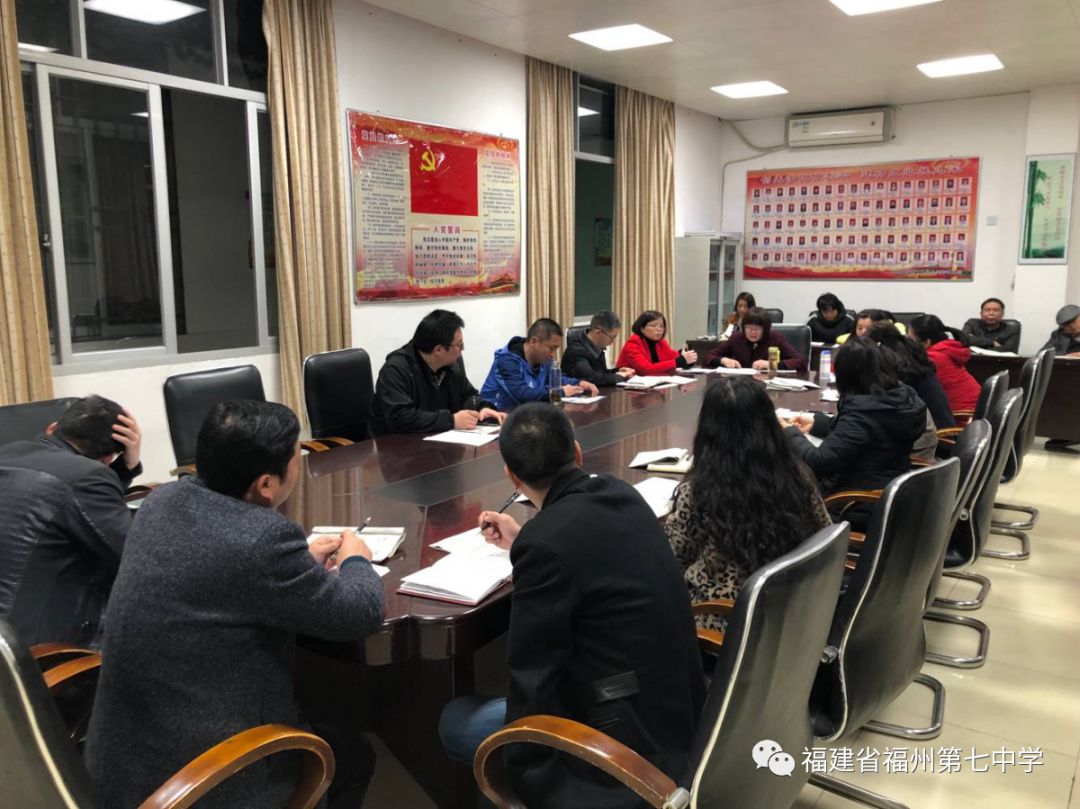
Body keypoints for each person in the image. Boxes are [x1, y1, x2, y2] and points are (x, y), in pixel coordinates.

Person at [85, 401, 385, 808]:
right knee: (352, 756)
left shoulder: (161, 501)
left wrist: (296, 566)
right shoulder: (264, 540)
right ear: (266, 484)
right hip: (200, 776)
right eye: (296, 458)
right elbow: (360, 614)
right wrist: (355, 560)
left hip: (120, 758)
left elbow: (216, 573)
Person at [438, 404, 705, 809]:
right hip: (681, 710)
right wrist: (528, 538)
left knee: (456, 721)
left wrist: (531, 779)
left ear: (511, 475)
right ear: (577, 452)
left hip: (625, 744)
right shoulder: (623, 494)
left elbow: (531, 679)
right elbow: (586, 545)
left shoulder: (545, 542)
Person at [666, 378, 831, 633]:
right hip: (794, 617)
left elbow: (672, 562)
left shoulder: (699, 491)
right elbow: (825, 538)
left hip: (722, 626)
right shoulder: (797, 476)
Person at [0, 395, 141, 646]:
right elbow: (134, 557)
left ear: (52, 428)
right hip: (35, 649)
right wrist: (127, 465)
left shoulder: (6, 452)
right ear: (109, 458)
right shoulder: (89, 477)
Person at [784, 337, 927, 526]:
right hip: (886, 493)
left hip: (854, 505)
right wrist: (816, 423)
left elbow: (818, 462)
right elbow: (867, 432)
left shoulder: (862, 415)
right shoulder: (896, 400)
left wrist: (789, 433)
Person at [370, 309, 504, 436]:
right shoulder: (395, 370)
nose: (462, 350)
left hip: (438, 443)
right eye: (459, 345)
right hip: (393, 446)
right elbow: (400, 418)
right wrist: (451, 421)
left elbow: (467, 395)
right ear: (439, 350)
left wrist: (482, 408)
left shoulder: (450, 365)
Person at [481, 318, 598, 409]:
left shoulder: (543, 360)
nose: (553, 355)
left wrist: (579, 383)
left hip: (528, 415)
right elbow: (522, 394)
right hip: (497, 419)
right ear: (534, 342)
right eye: (551, 348)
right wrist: (559, 393)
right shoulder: (506, 361)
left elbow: (555, 379)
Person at [908, 314, 980, 414]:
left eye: (909, 339)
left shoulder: (932, 358)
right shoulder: (946, 349)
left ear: (926, 343)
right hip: (974, 411)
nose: (906, 343)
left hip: (961, 416)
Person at [704, 307, 807, 371]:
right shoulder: (736, 338)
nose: (753, 332)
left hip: (768, 385)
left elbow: (801, 361)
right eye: (748, 328)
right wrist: (723, 360)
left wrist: (771, 364)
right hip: (741, 385)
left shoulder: (775, 339)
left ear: (765, 329)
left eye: (757, 329)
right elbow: (708, 356)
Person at [560, 310, 636, 387]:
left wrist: (617, 371)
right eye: (612, 337)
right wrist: (619, 376)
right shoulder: (576, 352)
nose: (613, 342)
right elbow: (591, 378)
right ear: (598, 331)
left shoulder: (596, 347)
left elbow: (601, 373)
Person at [1042, 304, 1080, 452]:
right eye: (1066, 325)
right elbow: (1044, 353)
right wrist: (1066, 356)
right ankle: (1063, 433)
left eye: (1073, 321)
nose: (1071, 326)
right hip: (1066, 377)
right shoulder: (1058, 335)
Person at [615, 310, 698, 375]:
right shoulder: (633, 343)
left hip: (652, 384)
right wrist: (679, 361)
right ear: (642, 329)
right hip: (628, 386)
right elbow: (646, 369)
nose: (659, 329)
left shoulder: (660, 342)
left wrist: (685, 356)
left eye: (662, 326)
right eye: (653, 325)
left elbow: (671, 356)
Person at [836, 308, 906, 344]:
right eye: (859, 328)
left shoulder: (890, 350)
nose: (863, 332)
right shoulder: (850, 344)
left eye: (869, 328)